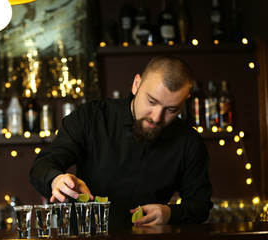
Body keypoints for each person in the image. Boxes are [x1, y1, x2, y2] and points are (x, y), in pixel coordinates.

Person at [29, 55, 213, 227]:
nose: (157, 117)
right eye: (151, 101)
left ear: (185, 101)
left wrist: (169, 212)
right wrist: (56, 180)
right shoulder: (91, 117)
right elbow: (43, 164)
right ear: (136, 84)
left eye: (171, 109)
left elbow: (200, 206)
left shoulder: (189, 142)